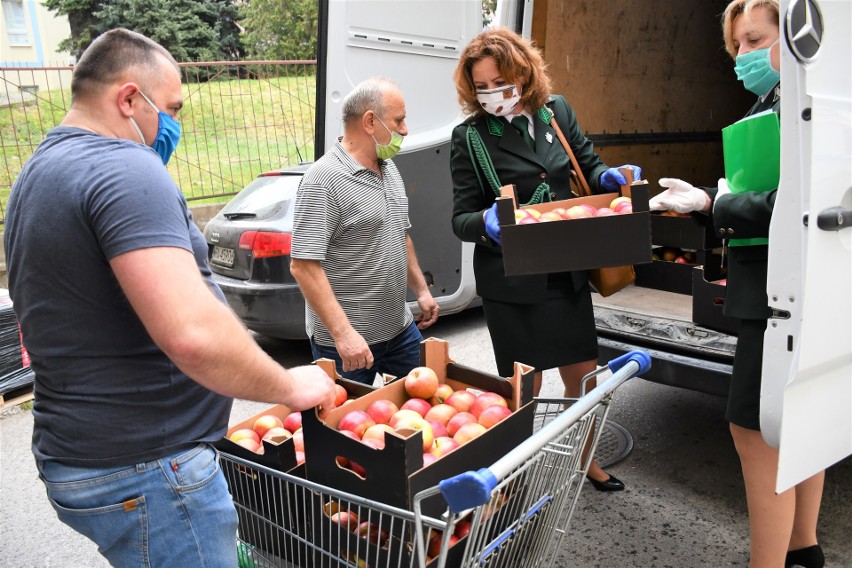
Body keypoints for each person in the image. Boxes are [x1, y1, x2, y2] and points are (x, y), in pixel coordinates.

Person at [4, 29, 337, 568]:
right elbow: (193, 334)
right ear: (129, 98)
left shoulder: (39, 170)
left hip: (78, 454)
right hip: (148, 468)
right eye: (172, 107)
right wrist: (290, 384)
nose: (176, 124)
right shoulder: (125, 169)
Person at [650, 2, 825, 566]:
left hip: (781, 294)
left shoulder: (804, 108)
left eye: (756, 40)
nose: (745, 56)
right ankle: (803, 549)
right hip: (799, 286)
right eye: (738, 47)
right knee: (804, 424)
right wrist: (713, 201)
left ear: (795, 37)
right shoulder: (780, 102)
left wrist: (715, 202)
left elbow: (794, 205)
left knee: (756, 431)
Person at [449, 27, 642, 492]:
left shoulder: (556, 113)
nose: (492, 93)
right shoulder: (470, 137)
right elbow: (460, 217)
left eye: (501, 81)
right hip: (512, 282)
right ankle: (512, 474)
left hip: (564, 270)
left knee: (586, 377)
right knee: (522, 391)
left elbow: (588, 166)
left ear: (524, 73)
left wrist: (609, 176)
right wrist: (486, 224)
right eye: (481, 86)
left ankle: (586, 459)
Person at [290, 77, 440, 386]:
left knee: (418, 417)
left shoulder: (389, 168)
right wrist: (344, 335)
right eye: (398, 120)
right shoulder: (323, 180)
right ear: (370, 121)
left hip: (401, 332)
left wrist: (421, 290)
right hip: (347, 346)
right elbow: (303, 266)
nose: (405, 129)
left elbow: (400, 234)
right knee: (349, 431)